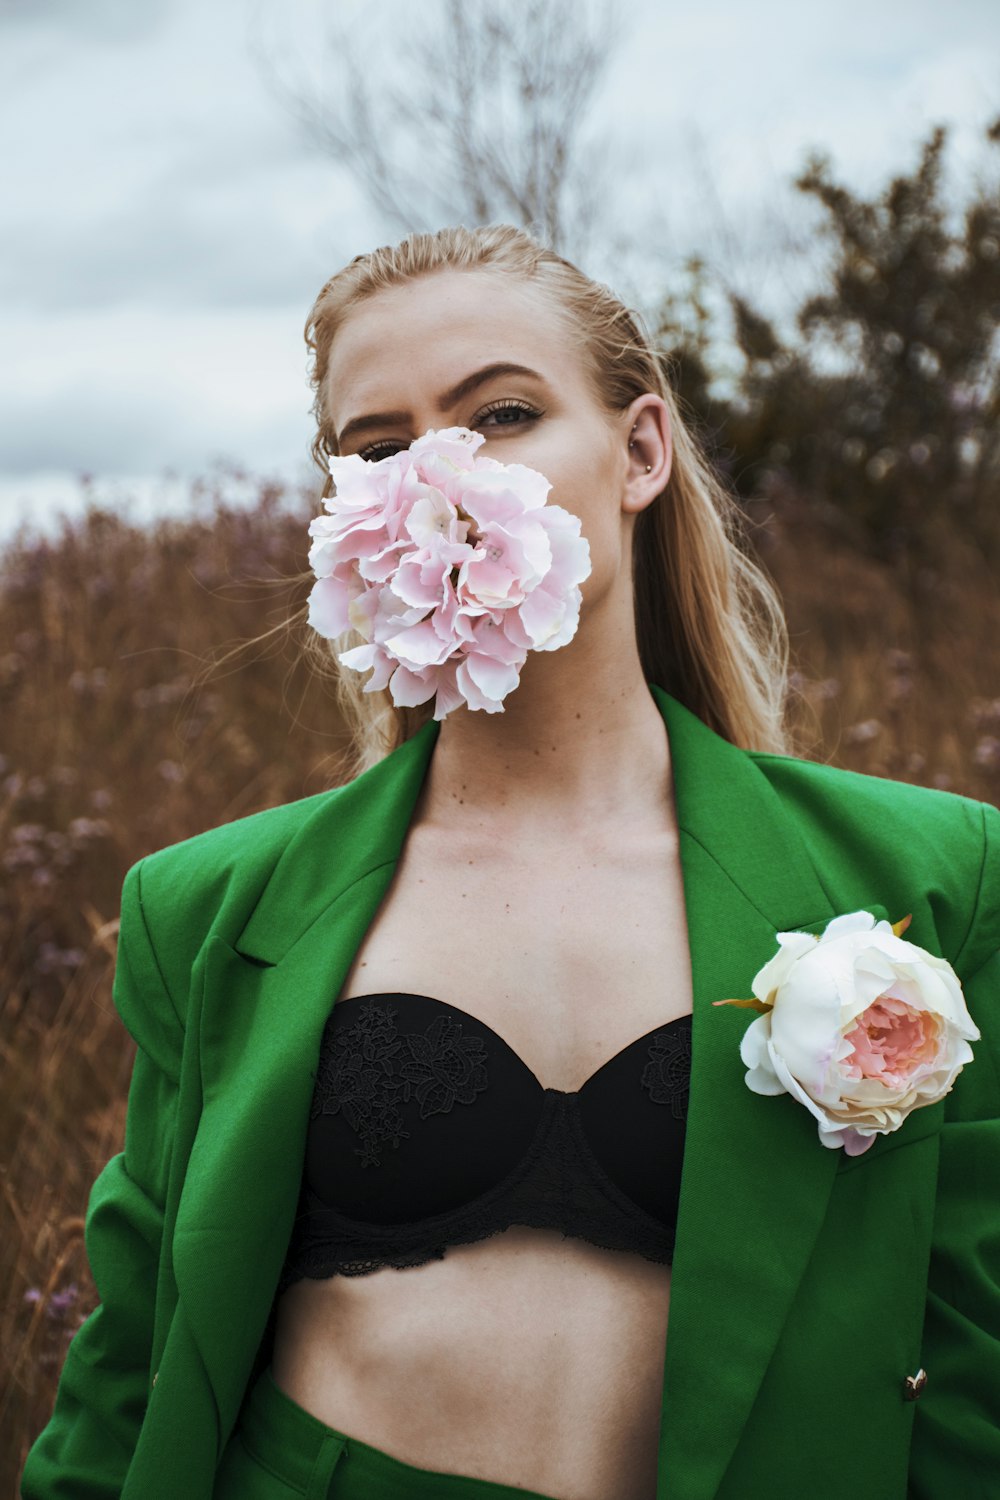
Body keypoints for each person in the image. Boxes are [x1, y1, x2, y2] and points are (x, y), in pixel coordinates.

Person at [21, 223, 1000, 1500]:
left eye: (501, 414)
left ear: (640, 451)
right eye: (377, 448)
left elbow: (972, 1355)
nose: (441, 477)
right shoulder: (206, 906)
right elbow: (131, 1363)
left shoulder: (928, 873)